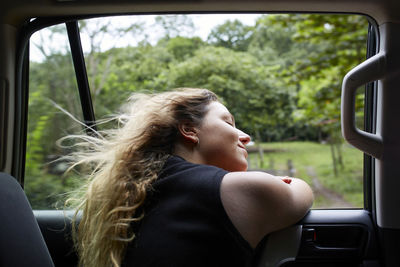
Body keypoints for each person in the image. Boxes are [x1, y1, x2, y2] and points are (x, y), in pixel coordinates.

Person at [65, 88, 313, 267]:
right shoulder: (236, 190)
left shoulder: (133, 196)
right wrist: (290, 183)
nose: (245, 136)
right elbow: (299, 194)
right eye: (228, 122)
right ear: (189, 130)